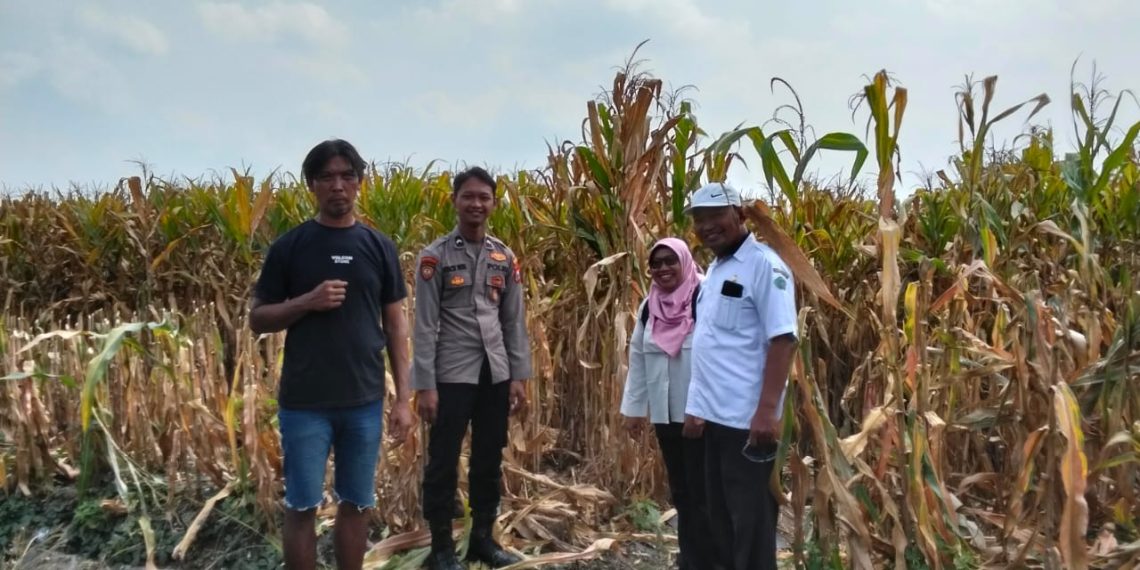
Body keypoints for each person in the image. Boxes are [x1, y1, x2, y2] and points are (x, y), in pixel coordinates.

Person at [249, 139, 414, 570]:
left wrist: (403, 399)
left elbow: (396, 325)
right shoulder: (290, 247)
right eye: (326, 177)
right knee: (301, 506)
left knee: (356, 503)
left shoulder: (379, 247)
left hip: (364, 400)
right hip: (305, 403)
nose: (337, 185)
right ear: (312, 185)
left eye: (346, 175)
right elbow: (258, 319)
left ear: (359, 182)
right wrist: (308, 301)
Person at [412, 166, 531, 570]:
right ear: (454, 201)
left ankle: (482, 538)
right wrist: (425, 385)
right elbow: (424, 325)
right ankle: (441, 548)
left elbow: (513, 320)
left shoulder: (504, 257)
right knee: (443, 460)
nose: (476, 204)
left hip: (494, 373)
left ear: (494, 204)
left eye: (484, 197)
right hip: (451, 374)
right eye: (468, 196)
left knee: (488, 457)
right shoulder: (435, 257)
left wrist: (518, 376)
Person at [682, 182, 798, 570]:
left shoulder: (765, 266)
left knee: (751, 524)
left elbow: (783, 338)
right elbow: (712, 345)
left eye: (716, 215)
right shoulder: (715, 271)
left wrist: (766, 413)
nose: (707, 226)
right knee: (721, 521)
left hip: (747, 424)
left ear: (740, 215)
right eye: (700, 219)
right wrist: (696, 408)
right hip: (715, 421)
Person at [620, 237, 718, 570]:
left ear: (685, 261)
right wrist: (634, 410)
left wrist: (702, 408)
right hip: (666, 415)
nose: (662, 268)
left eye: (670, 261)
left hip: (701, 416)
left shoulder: (705, 297)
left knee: (704, 492)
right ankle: (690, 558)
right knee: (682, 490)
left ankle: (710, 561)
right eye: (656, 263)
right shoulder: (649, 306)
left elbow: (717, 355)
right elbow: (638, 357)